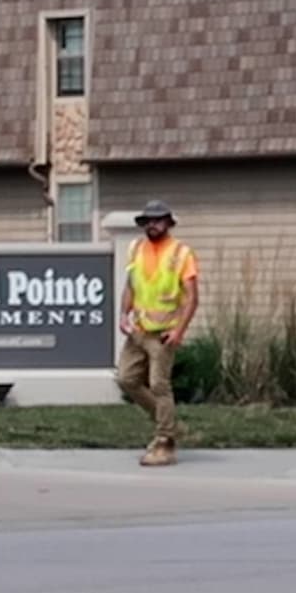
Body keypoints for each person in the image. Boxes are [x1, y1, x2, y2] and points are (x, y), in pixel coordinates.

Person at [116, 199, 199, 467]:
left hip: (164, 332)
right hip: (138, 329)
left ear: (168, 223)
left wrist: (179, 331)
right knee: (126, 379)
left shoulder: (181, 253)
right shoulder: (136, 249)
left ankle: (165, 440)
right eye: (149, 221)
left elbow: (191, 298)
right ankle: (170, 423)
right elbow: (131, 286)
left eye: (158, 220)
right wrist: (123, 314)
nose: (153, 225)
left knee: (159, 384)